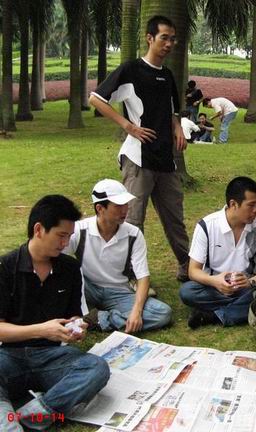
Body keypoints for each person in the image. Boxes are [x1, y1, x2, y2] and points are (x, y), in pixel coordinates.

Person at [88, 15, 190, 283]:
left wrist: (177, 127)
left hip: (166, 158)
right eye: (164, 37)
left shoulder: (167, 75)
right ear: (149, 38)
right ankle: (131, 276)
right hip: (138, 158)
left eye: (172, 38)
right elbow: (96, 99)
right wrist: (128, 125)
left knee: (174, 217)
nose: (169, 43)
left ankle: (187, 265)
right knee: (133, 219)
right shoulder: (131, 70)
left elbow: (171, 110)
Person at [0, 195, 110, 431]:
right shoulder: (5, 267)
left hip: (51, 357)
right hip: (9, 356)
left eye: (69, 236)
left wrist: (77, 327)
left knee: (96, 368)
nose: (65, 243)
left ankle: (28, 416)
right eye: (61, 235)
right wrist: (42, 329)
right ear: (39, 229)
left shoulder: (69, 268)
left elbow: (74, 315)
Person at [64, 179, 172, 333]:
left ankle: (97, 319)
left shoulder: (133, 234)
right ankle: (94, 316)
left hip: (118, 291)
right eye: (118, 206)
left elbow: (143, 276)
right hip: (86, 287)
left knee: (162, 313)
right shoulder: (79, 230)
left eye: (126, 204)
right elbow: (56, 259)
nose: (125, 210)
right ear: (100, 208)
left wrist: (137, 312)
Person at [179, 177, 256, 328]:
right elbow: (193, 271)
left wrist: (250, 282)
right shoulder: (207, 226)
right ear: (233, 204)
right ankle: (249, 307)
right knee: (187, 291)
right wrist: (216, 281)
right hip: (215, 286)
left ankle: (215, 315)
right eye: (251, 205)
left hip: (247, 285)